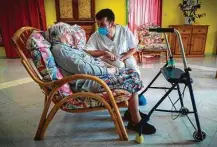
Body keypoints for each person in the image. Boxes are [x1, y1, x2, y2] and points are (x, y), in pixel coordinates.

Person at [48, 22, 156, 135]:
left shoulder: (67, 48)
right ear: (60, 35)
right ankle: (135, 122)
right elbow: (84, 68)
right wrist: (108, 70)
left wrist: (103, 64)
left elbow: (87, 61)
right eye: (68, 33)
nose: (71, 35)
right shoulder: (60, 50)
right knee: (131, 78)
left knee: (132, 72)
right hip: (86, 82)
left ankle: (131, 112)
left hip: (93, 77)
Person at [85, 8, 147, 106]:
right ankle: (122, 95)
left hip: (124, 56)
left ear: (112, 23)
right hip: (107, 59)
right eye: (98, 24)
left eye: (102, 24)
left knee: (133, 69)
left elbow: (133, 48)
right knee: (118, 69)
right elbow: (88, 51)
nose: (99, 27)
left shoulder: (124, 30)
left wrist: (122, 58)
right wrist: (104, 52)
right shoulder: (96, 35)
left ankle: (136, 94)